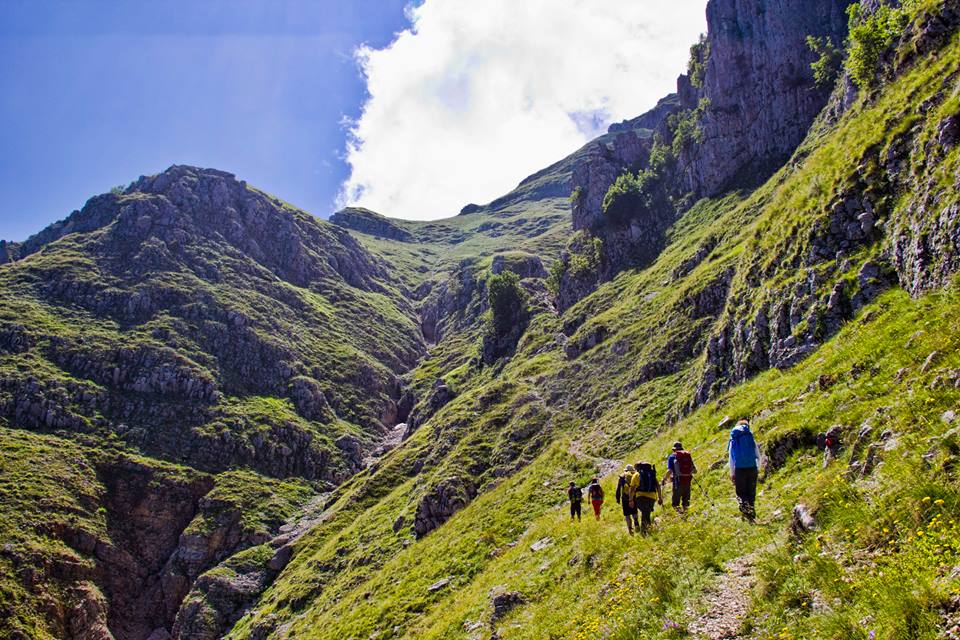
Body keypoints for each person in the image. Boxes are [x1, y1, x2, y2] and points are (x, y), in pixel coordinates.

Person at [728, 419, 761, 522]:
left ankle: (746, 513)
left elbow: (731, 459)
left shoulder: (734, 438)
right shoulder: (750, 436)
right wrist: (758, 468)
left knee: (741, 492)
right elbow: (758, 455)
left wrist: (732, 473)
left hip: (740, 469)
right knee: (751, 491)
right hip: (752, 467)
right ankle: (751, 513)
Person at [663, 441, 697, 512]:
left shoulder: (672, 457)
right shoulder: (687, 456)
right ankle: (686, 514)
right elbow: (694, 470)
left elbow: (669, 470)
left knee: (675, 504)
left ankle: (680, 514)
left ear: (673, 449)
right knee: (686, 502)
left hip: (678, 482)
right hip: (687, 482)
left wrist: (665, 479)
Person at [631, 461, 663, 534]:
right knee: (646, 513)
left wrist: (630, 499)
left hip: (640, 497)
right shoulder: (652, 474)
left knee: (645, 513)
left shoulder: (637, 475)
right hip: (652, 497)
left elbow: (632, 488)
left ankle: (645, 531)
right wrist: (660, 497)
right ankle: (648, 529)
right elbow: (658, 486)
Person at [615, 465, 640, 534]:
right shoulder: (635, 475)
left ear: (625, 470)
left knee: (627, 514)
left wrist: (617, 498)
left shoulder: (622, 477)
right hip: (633, 496)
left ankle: (630, 529)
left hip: (625, 498)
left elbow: (618, 488)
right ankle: (636, 522)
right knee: (634, 511)